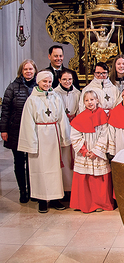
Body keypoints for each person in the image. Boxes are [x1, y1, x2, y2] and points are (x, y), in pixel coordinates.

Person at [17, 71, 71, 213]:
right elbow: (28, 123)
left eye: (49, 82)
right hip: (39, 136)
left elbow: (62, 118)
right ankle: (41, 199)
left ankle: (55, 198)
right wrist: (31, 142)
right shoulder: (32, 100)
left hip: (53, 135)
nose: (47, 85)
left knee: (54, 169)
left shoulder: (56, 97)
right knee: (39, 169)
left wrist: (65, 137)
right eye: (44, 82)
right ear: (38, 82)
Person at [70, 90, 114, 213]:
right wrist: (84, 151)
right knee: (85, 177)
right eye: (87, 100)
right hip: (84, 154)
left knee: (98, 179)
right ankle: (84, 203)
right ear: (83, 102)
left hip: (97, 152)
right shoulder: (79, 118)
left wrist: (96, 151)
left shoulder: (103, 116)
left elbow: (105, 135)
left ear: (97, 100)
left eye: (92, 99)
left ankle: (99, 203)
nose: (90, 102)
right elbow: (75, 136)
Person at [0, 59, 37, 203]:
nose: (28, 71)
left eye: (31, 69)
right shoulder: (12, 87)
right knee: (19, 162)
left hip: (33, 130)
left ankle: (33, 190)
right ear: (21, 71)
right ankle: (23, 190)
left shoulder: (38, 86)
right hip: (16, 129)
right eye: (25, 69)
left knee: (32, 162)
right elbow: (5, 109)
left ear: (35, 71)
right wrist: (3, 129)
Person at [54, 69, 81, 196]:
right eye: (64, 79)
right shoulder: (54, 93)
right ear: (59, 80)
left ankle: (74, 189)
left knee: (74, 158)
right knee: (64, 158)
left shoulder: (77, 93)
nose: (67, 81)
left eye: (69, 79)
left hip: (74, 125)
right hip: (61, 127)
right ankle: (65, 189)